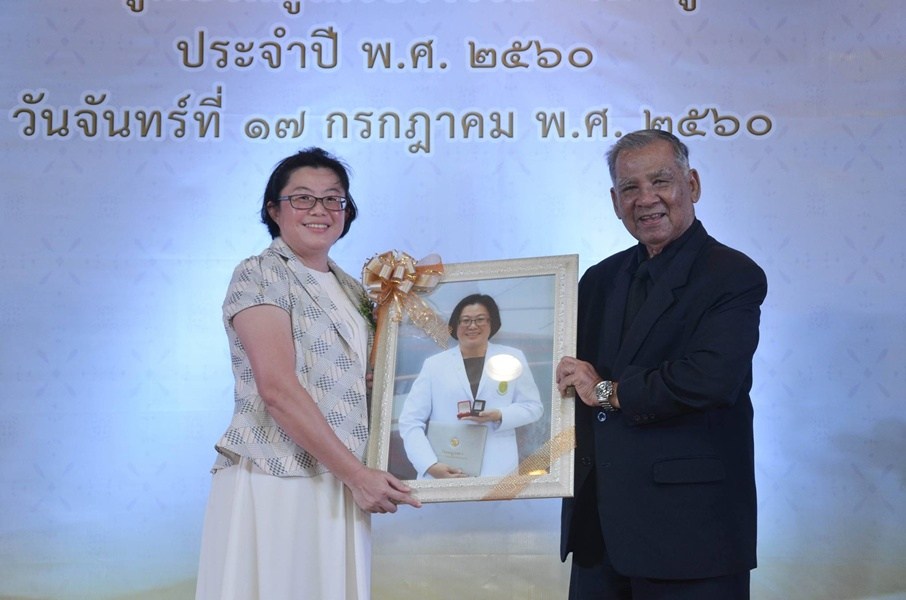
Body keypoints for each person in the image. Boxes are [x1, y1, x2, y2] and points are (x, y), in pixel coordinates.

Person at [195, 147, 420, 600]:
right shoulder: (259, 273)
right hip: (278, 477)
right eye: (302, 198)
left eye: (333, 198)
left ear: (346, 211)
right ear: (273, 210)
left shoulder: (351, 287)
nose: (320, 209)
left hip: (340, 476)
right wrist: (356, 475)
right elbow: (277, 389)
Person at [556, 129, 767, 599]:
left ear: (692, 185)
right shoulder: (597, 280)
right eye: (630, 188)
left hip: (691, 536)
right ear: (615, 201)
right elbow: (556, 375)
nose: (646, 199)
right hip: (598, 534)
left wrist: (607, 391)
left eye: (660, 181)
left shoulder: (732, 275)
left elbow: (708, 380)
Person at [398, 293, 544, 478]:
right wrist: (429, 465)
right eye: (465, 320)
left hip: (498, 468)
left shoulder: (512, 357)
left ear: (492, 323)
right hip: (444, 465)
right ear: (455, 325)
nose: (472, 326)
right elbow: (410, 420)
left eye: (480, 319)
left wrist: (500, 415)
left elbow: (533, 407)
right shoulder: (434, 365)